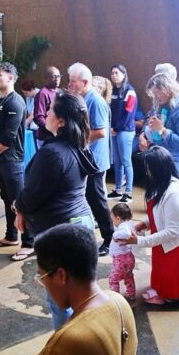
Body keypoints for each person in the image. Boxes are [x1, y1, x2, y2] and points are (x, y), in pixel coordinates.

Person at [16, 224, 137, 355]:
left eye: (43, 276)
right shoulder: (119, 302)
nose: (43, 284)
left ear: (61, 276)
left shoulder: (69, 343)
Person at [14, 93, 97, 329]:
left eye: (50, 111)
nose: (46, 114)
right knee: (81, 294)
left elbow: (33, 194)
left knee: (60, 300)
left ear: (60, 120)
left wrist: (18, 207)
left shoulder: (52, 153)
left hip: (60, 231)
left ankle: (67, 350)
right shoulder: (79, 145)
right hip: (81, 223)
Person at [118, 146, 179, 304]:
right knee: (165, 283)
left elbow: (171, 232)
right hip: (166, 244)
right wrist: (145, 223)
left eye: (148, 168)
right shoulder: (160, 185)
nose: (146, 172)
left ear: (157, 169)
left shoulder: (174, 192)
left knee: (177, 290)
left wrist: (139, 241)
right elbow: (159, 211)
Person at [68, 62, 114, 256]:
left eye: (73, 81)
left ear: (85, 82)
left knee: (97, 200)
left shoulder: (95, 101)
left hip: (95, 160)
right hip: (85, 158)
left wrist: (77, 141)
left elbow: (100, 132)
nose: (69, 84)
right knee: (87, 198)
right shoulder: (83, 98)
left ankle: (110, 237)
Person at [0, 63, 31, 257]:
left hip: (12, 159)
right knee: (6, 198)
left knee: (19, 200)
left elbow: (9, 136)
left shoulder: (15, 102)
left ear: (11, 78)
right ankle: (11, 235)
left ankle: (29, 242)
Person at [138, 73, 179, 189]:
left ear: (168, 88)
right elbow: (150, 122)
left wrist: (162, 130)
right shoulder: (161, 106)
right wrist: (146, 136)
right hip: (166, 159)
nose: (155, 97)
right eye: (153, 94)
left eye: (157, 93)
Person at [108, 64, 138, 203]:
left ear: (124, 74)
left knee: (126, 161)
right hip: (113, 130)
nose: (114, 75)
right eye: (112, 73)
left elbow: (128, 114)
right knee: (117, 161)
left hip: (125, 131)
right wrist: (111, 127)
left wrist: (116, 128)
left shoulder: (129, 91)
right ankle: (118, 190)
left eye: (117, 73)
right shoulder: (112, 90)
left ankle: (129, 192)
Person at [108, 202, 136, 301]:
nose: (113, 222)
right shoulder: (129, 224)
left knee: (113, 279)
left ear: (118, 218)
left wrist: (115, 236)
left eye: (113, 219)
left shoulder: (123, 226)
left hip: (121, 260)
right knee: (128, 277)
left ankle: (115, 299)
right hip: (129, 258)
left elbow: (126, 233)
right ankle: (131, 294)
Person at [32, 66, 63, 149]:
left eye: (58, 76)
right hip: (46, 138)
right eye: (54, 76)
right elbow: (38, 117)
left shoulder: (61, 93)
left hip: (59, 137)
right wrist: (52, 129)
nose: (57, 79)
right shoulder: (43, 94)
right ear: (47, 78)